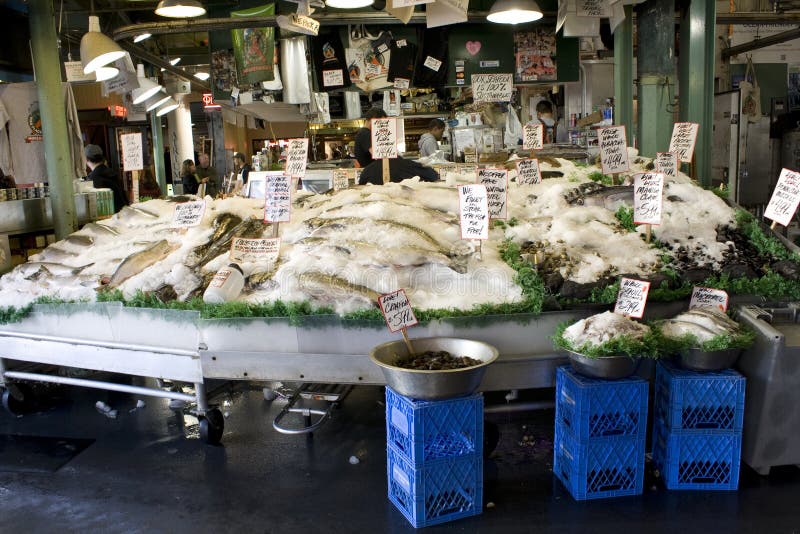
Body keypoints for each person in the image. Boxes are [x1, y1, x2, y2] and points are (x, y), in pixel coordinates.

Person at [85, 144, 129, 213]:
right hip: (123, 213)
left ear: (86, 159)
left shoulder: (91, 179)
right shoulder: (112, 173)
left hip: (108, 218)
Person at [358, 156, 439, 186]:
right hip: (405, 212)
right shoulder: (406, 164)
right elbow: (433, 176)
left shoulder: (366, 170)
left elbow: (361, 189)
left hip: (375, 216)